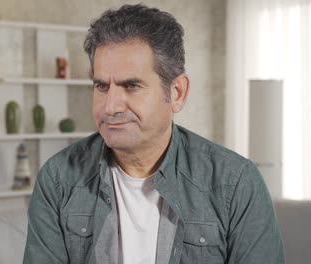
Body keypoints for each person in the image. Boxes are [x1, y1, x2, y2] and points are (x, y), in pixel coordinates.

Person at [23, 4, 285, 264]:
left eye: (131, 86)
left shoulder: (236, 183)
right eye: (101, 86)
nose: (110, 106)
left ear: (177, 93)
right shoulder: (58, 180)